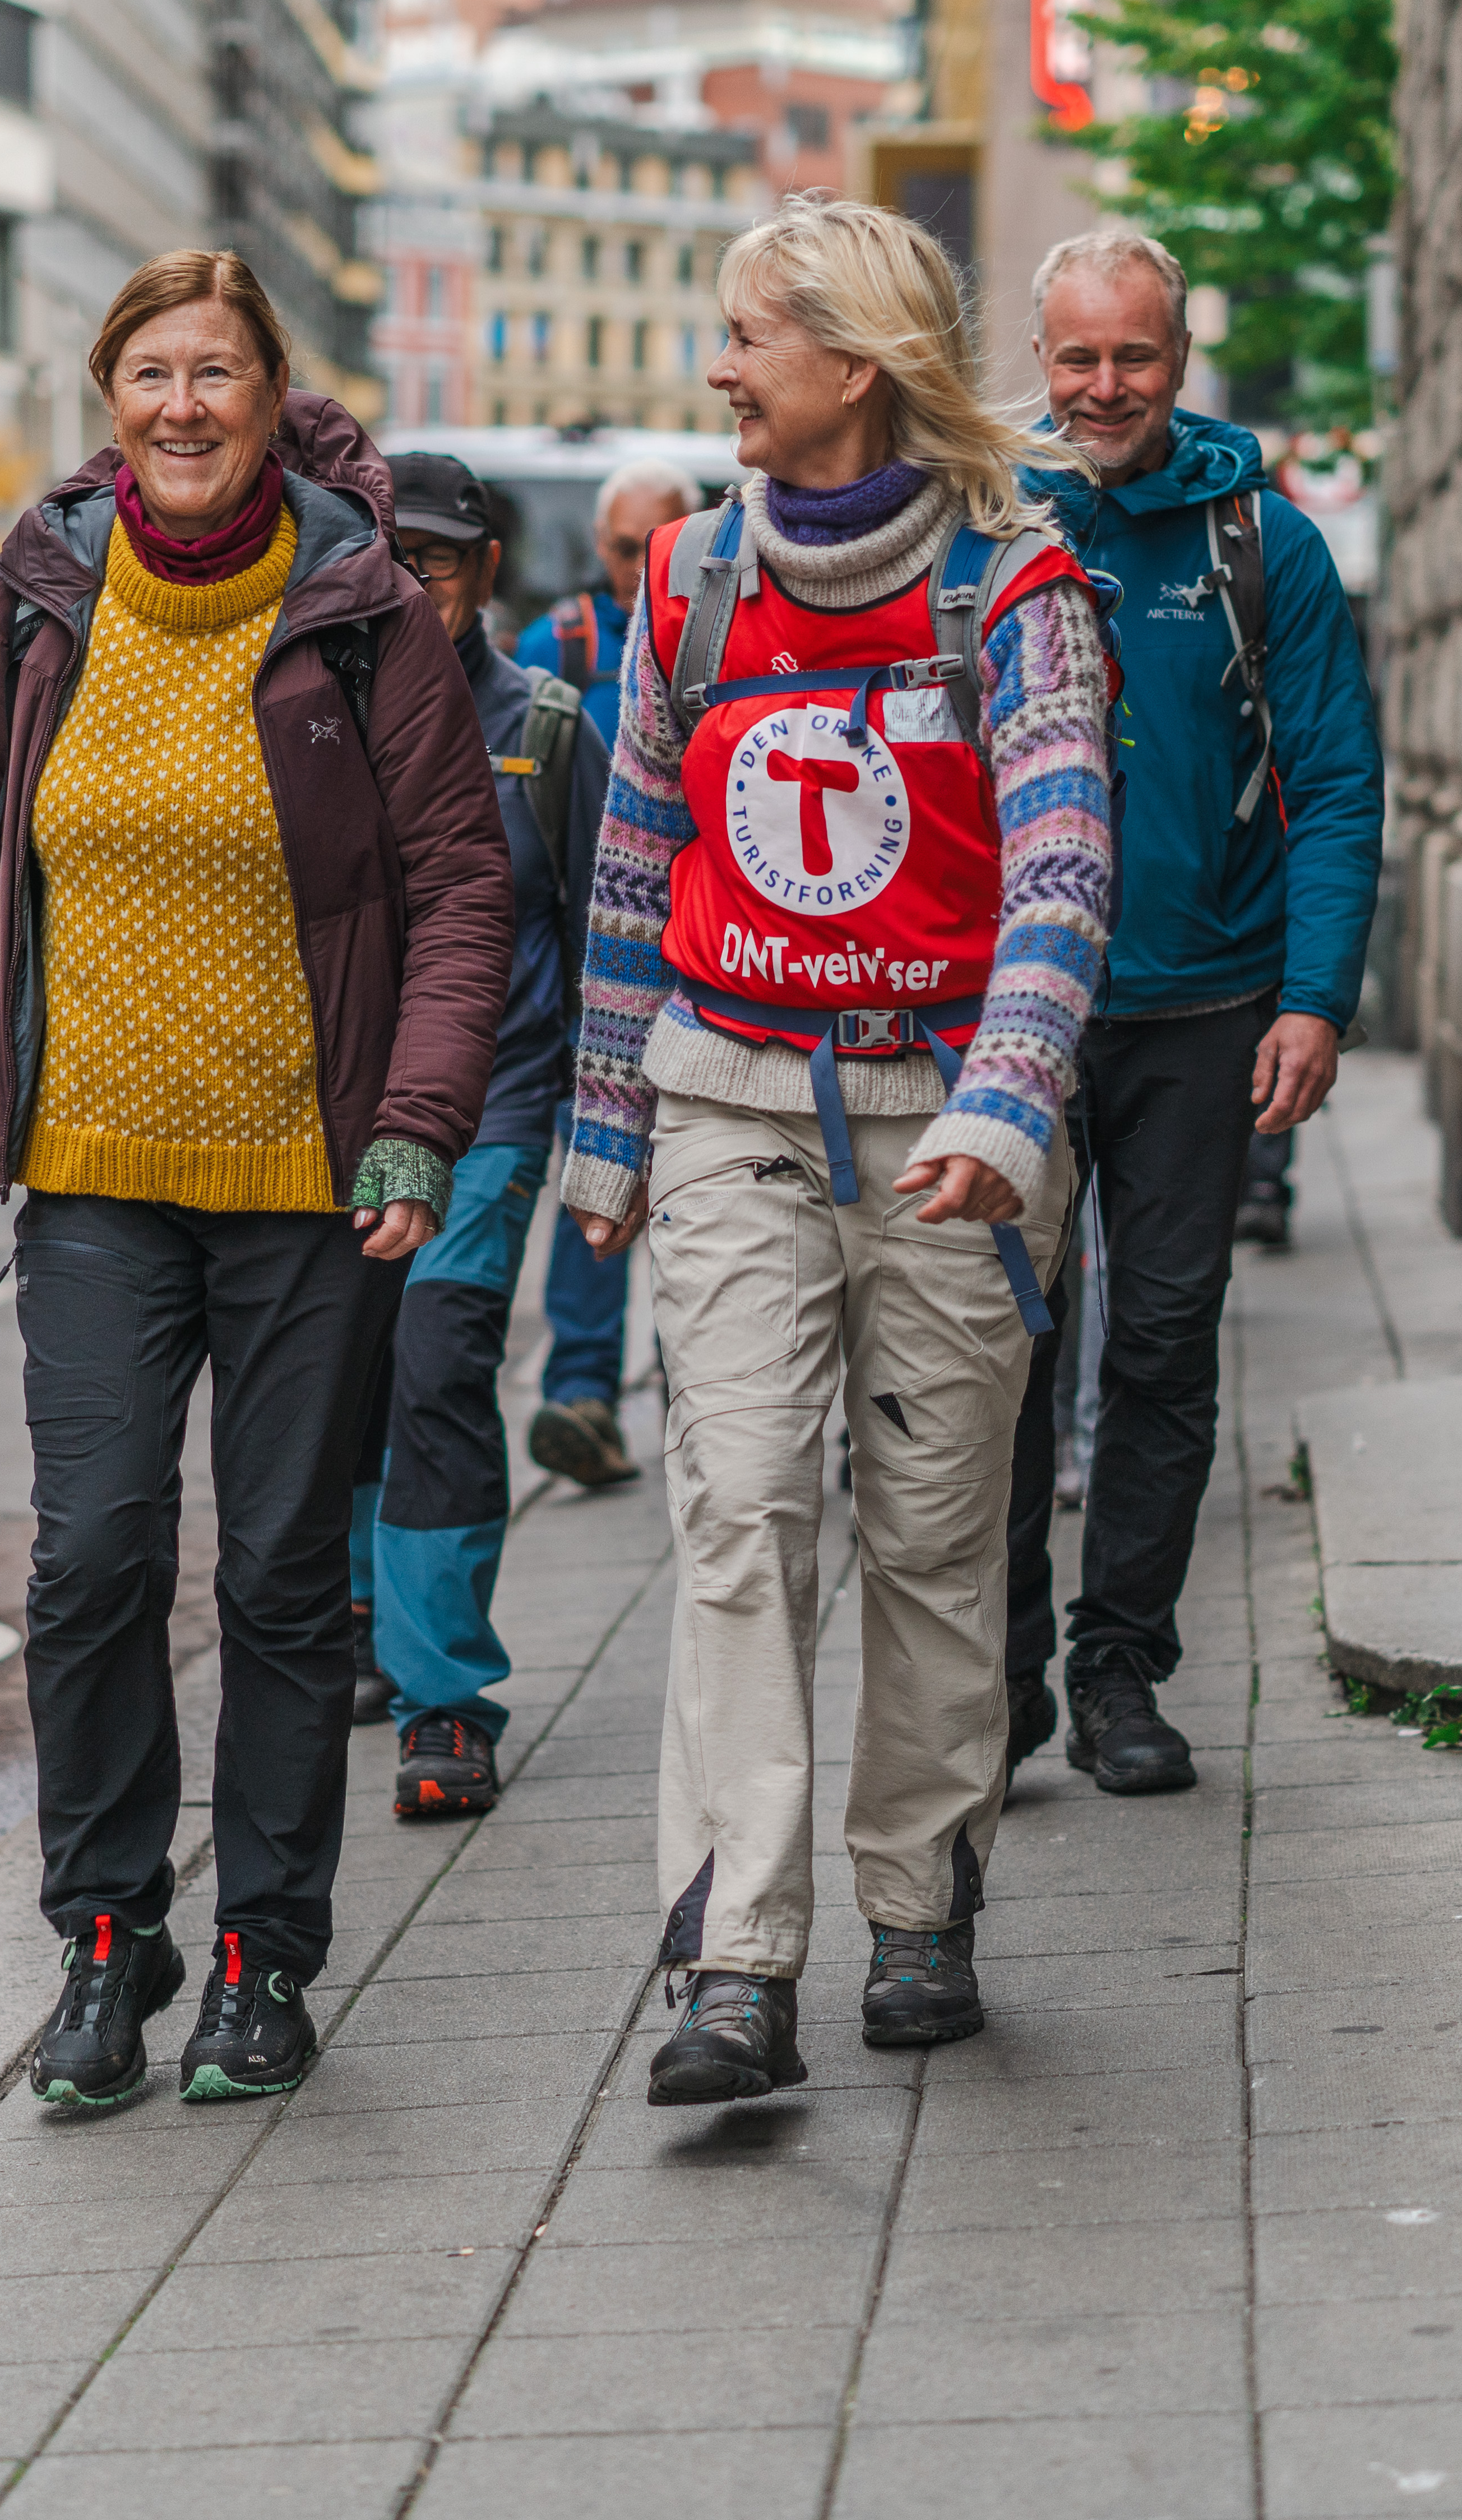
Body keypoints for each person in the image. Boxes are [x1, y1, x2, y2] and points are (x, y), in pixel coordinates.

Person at [0, 252, 512, 2116]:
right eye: (151, 372)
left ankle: (260, 1951)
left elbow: (462, 881)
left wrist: (420, 1114)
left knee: (286, 1575)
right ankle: (105, 1927)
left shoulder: (361, 603)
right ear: (109, 395)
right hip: (90, 1176)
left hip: (309, 1181)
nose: (183, 405)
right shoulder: (41, 596)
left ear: (270, 392)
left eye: (216, 371)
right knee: (95, 1554)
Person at [559, 195, 1116, 2099]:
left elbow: (1062, 869)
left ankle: (918, 1901)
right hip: (733, 1100)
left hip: (949, 1125)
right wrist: (605, 1133)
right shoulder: (689, 582)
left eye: (746, 334)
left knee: (937, 1535)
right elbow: (634, 867)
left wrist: (1006, 1097)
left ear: (855, 363)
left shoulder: (1016, 589)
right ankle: (734, 1953)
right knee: (735, 1509)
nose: (718, 366)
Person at [997, 226, 1385, 1792]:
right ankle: (995, 1678)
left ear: (1177, 359)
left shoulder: (1260, 541)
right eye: (1077, 356)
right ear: (1041, 361)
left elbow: (1335, 778)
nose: (1104, 386)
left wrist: (1315, 996)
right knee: (1002, 1352)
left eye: (1133, 356)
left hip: (1203, 1000)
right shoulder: (984, 519)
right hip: (1010, 1013)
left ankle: (1118, 1671)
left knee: (1161, 1342)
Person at [342, 452, 593, 1824]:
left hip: (488, 1111)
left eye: (430, 561)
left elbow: (610, 929)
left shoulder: (545, 729)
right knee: (335, 1376)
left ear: (485, 570)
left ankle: (443, 1693)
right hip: (328, 1116)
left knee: (436, 1365)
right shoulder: (309, 709)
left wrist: (613, 1122)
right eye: (386, 557)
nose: (406, 583)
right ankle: (359, 1621)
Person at [510, 460, 692, 1493]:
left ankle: (691, 1395)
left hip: (702, 969)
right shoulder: (561, 646)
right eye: (623, 550)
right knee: (597, 1173)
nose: (636, 569)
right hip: (593, 973)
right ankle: (582, 1396)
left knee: (699, 1196)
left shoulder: (714, 628)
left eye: (653, 548)